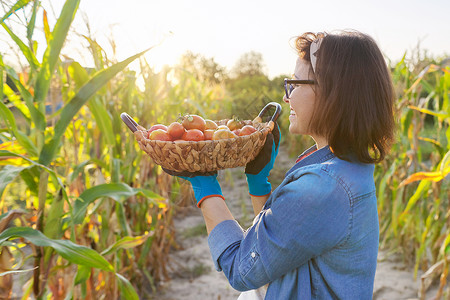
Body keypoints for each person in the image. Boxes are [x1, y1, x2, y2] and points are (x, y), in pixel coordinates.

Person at [165, 30, 395, 299]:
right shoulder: (344, 167)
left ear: (334, 93)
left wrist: (204, 186)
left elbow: (242, 269)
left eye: (295, 84)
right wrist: (259, 184)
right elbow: (281, 244)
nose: (287, 97)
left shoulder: (323, 188)